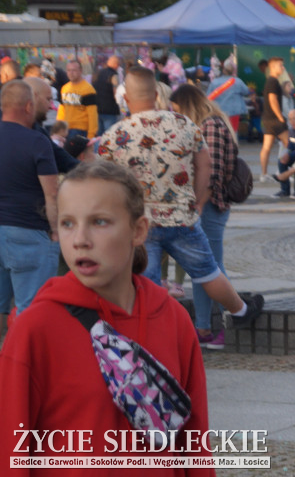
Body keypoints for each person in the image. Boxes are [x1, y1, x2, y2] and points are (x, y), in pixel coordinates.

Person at [0, 161, 214, 477]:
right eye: (68, 223)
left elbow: (194, 441)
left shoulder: (173, 319)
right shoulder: (37, 328)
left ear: (138, 230)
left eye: (99, 222)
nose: (80, 239)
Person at [97, 67, 263, 329]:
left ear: (126, 99)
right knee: (208, 272)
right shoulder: (184, 124)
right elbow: (205, 166)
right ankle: (241, 311)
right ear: (155, 94)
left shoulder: (114, 136)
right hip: (183, 217)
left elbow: (103, 183)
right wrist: (197, 201)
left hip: (142, 224)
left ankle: (152, 333)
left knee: (147, 282)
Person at [169, 84, 239, 350]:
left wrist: (198, 205)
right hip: (207, 205)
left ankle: (229, 321)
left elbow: (212, 173)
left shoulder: (209, 126)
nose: (175, 116)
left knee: (212, 269)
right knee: (202, 269)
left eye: (177, 110)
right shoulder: (211, 124)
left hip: (210, 206)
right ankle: (204, 328)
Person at [0, 80, 60, 318]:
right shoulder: (37, 142)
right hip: (29, 232)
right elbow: (52, 194)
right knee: (32, 310)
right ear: (28, 106)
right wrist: (55, 232)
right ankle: (26, 355)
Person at [259, 57, 290, 181]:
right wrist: (280, 116)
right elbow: (272, 100)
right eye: (280, 66)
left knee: (266, 147)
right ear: (272, 67)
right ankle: (290, 171)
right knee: (290, 145)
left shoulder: (270, 81)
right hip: (275, 120)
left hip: (267, 119)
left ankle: (264, 174)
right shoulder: (273, 81)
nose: (283, 68)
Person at [206, 55, 251, 132]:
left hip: (218, 111)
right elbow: (246, 92)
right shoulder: (237, 81)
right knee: (233, 131)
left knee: (221, 130)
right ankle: (233, 143)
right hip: (234, 111)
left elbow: (208, 97)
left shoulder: (214, 82)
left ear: (223, 70)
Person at [57, 59, 99, 140]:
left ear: (80, 71)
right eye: (69, 70)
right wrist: (59, 128)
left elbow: (92, 114)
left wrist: (91, 134)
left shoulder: (88, 89)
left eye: (74, 70)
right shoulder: (65, 88)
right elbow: (62, 109)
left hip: (81, 130)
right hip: (66, 129)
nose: (71, 73)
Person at [92, 55, 122, 134]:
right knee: (109, 136)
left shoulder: (97, 73)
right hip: (110, 110)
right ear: (116, 65)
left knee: (99, 136)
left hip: (97, 109)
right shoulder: (114, 75)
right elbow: (116, 93)